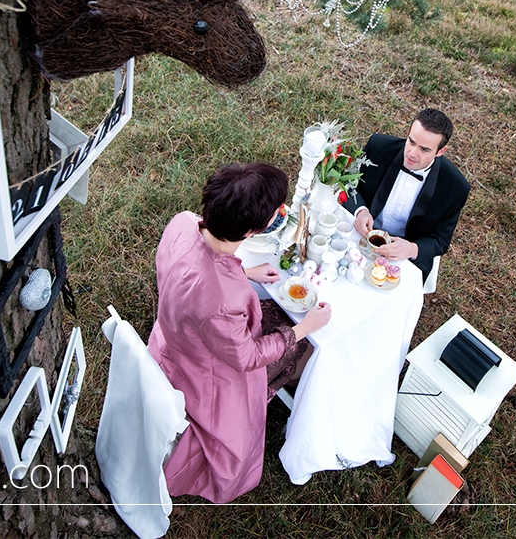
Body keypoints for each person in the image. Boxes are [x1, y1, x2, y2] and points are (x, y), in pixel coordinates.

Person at [147, 162, 331, 503]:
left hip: (172, 336)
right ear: (252, 232)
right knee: (308, 348)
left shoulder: (183, 222)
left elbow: (198, 271)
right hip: (204, 377)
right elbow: (247, 357)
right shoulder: (224, 303)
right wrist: (304, 329)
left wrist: (243, 272)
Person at [346, 108, 470, 293]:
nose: (412, 153)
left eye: (425, 149)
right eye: (411, 141)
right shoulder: (378, 146)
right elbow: (347, 183)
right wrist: (360, 210)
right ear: (409, 130)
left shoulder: (455, 187)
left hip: (404, 256)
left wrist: (412, 249)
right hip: (359, 233)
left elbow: (441, 241)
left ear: (441, 151)